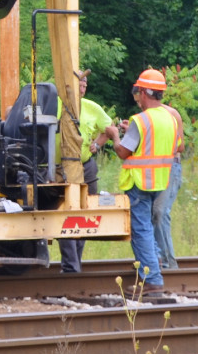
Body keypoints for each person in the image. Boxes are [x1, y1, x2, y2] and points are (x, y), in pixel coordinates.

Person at [104, 69, 180, 297]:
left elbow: (123, 151)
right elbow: (169, 146)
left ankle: (152, 280)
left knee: (141, 230)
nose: (137, 96)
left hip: (139, 182)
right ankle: (154, 264)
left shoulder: (141, 120)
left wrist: (114, 135)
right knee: (147, 228)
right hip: (160, 180)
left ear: (145, 93)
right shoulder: (170, 118)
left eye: (138, 91)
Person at [59, 69, 114, 273]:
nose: (82, 89)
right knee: (65, 213)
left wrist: (98, 144)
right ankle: (70, 266)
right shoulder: (58, 104)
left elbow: (110, 129)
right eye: (79, 85)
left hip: (86, 166)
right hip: (61, 168)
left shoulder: (92, 107)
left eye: (85, 85)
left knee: (84, 212)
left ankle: (76, 264)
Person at [153, 103, 184, 269]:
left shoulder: (171, 114)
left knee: (160, 212)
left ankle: (168, 263)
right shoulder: (144, 117)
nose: (139, 104)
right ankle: (155, 260)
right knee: (149, 214)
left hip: (170, 167)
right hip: (152, 169)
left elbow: (180, 146)